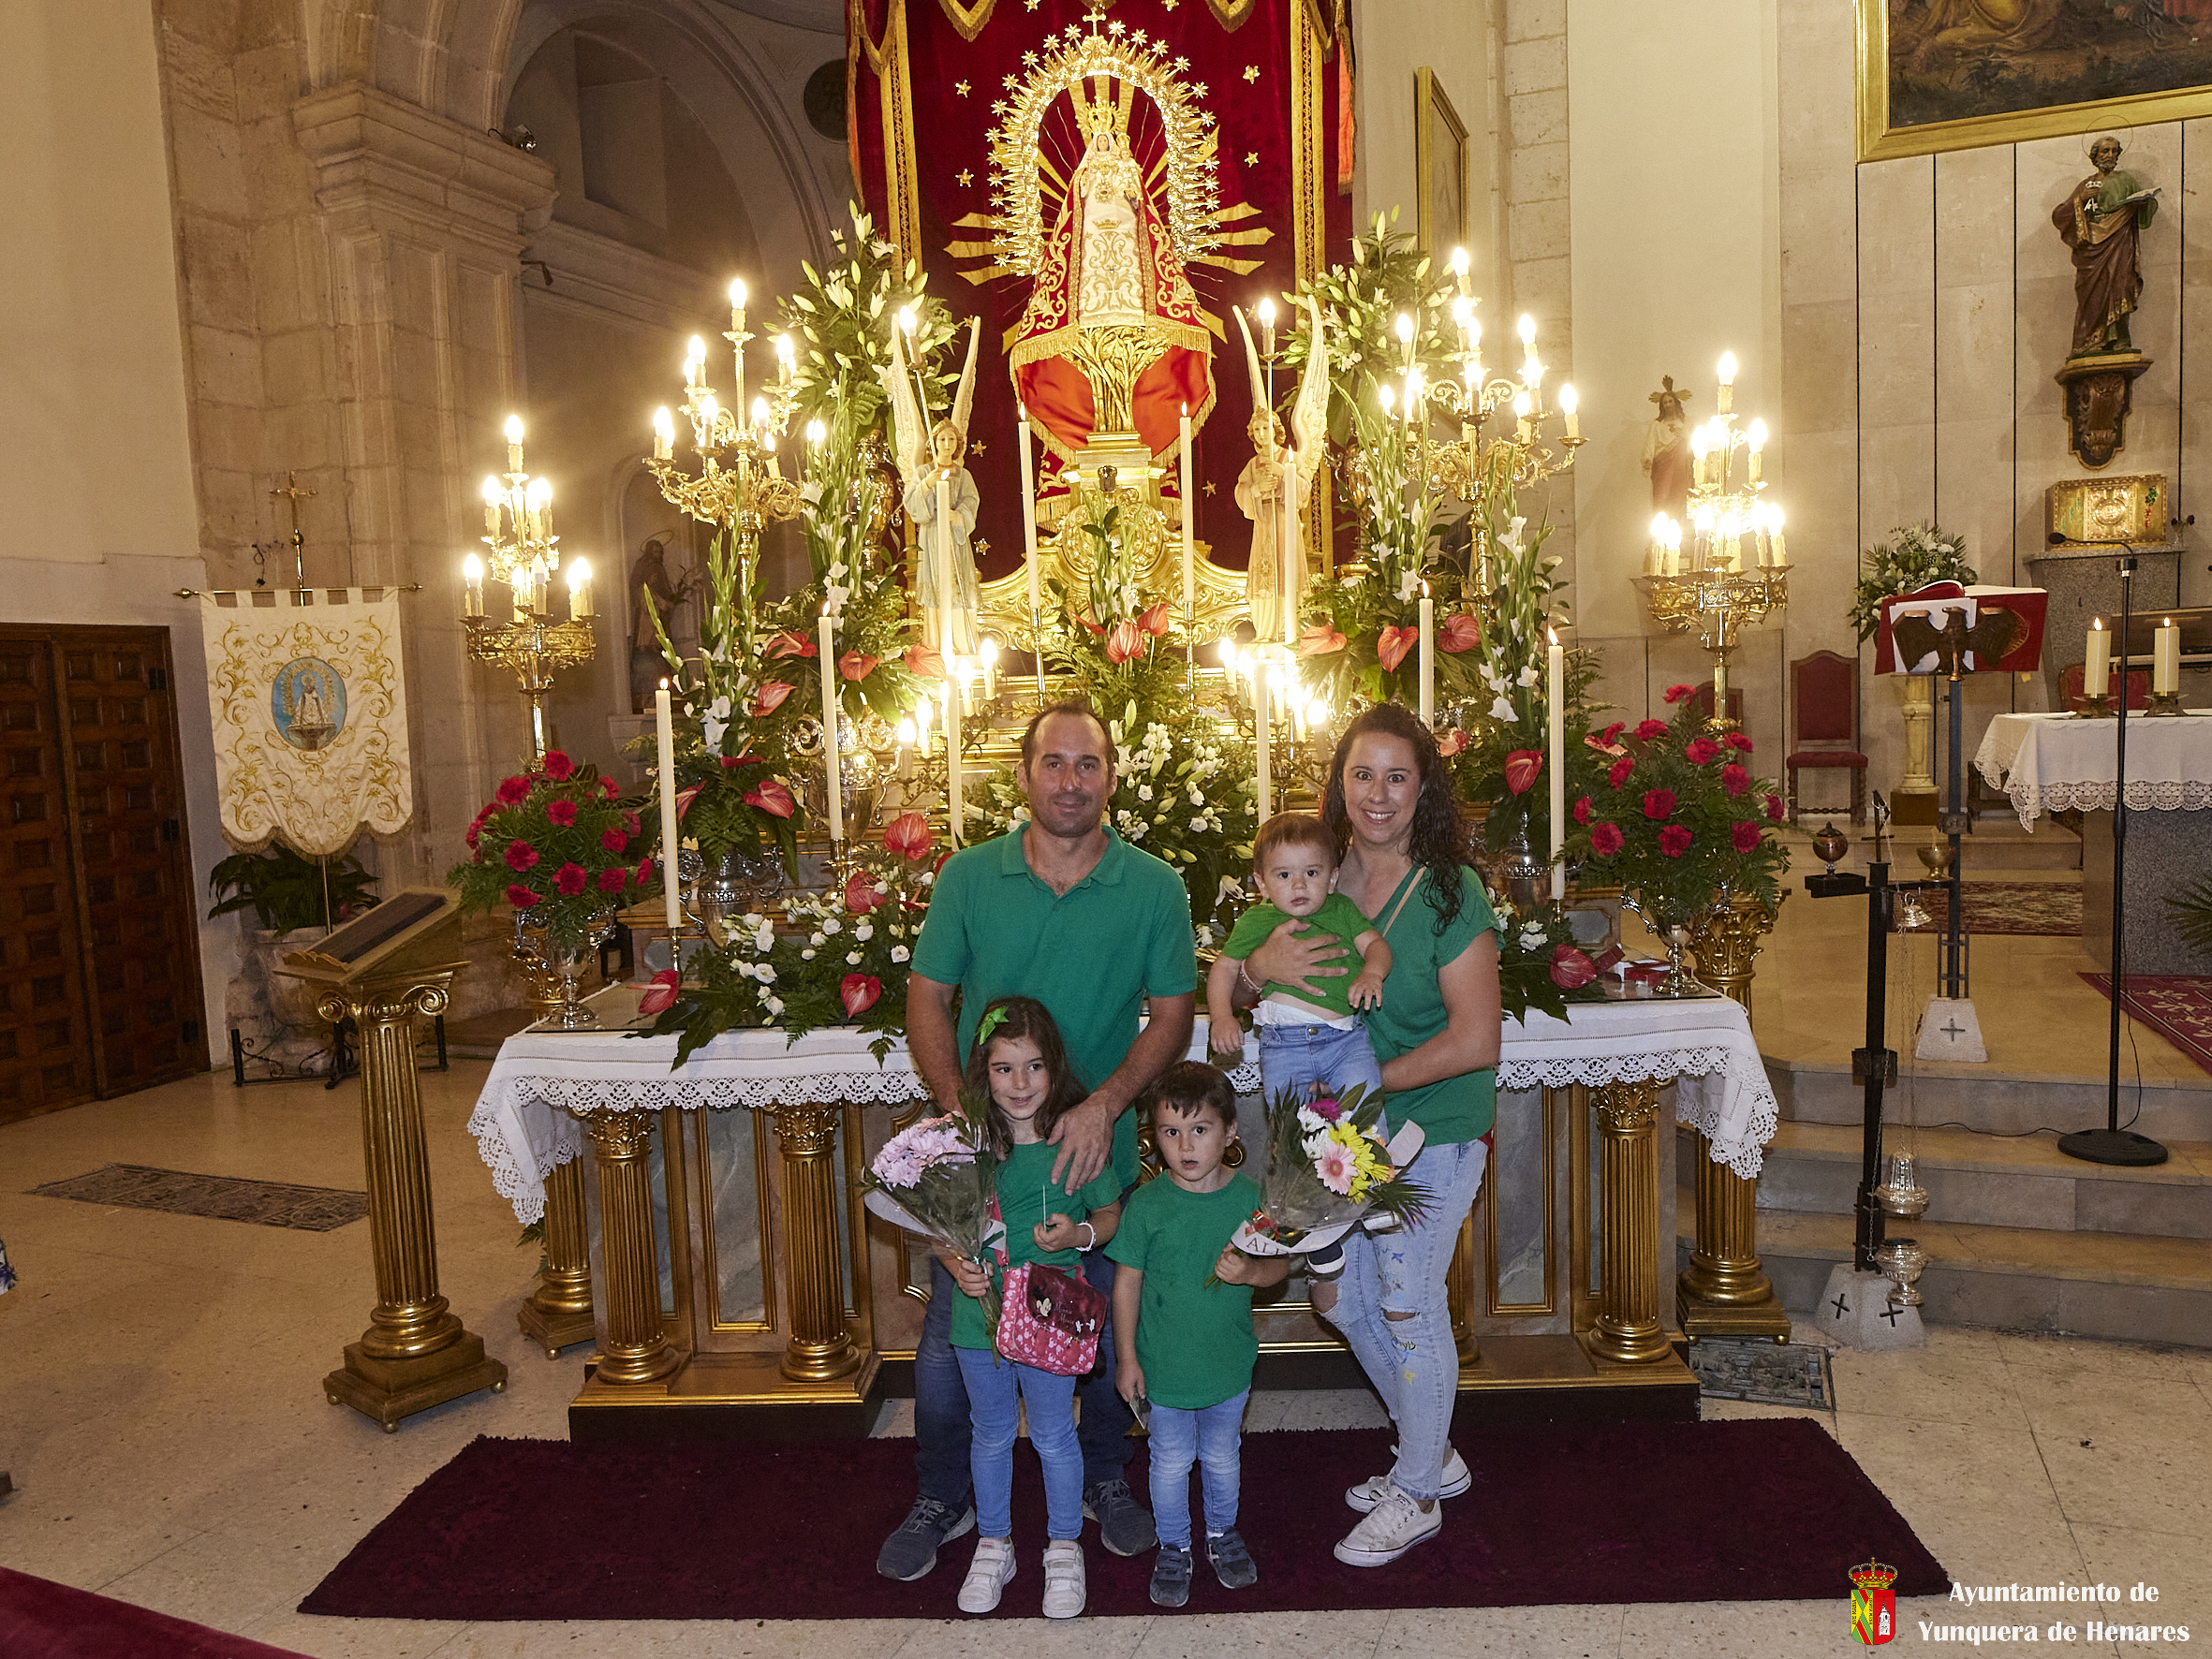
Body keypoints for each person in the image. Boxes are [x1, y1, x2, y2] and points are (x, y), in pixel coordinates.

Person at [878, 697, 1197, 1581]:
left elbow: (1174, 1014)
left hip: (1091, 1157)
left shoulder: (1153, 887)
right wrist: (961, 1119)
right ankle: (944, 1494)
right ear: (1022, 776)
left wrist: (1106, 1105)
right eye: (1053, 763)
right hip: (988, 1159)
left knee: (1095, 1323)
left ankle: (1103, 1479)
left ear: (1112, 778)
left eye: (1087, 764)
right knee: (952, 1340)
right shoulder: (968, 877)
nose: (1069, 781)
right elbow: (928, 996)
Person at [1224, 702, 1501, 1567]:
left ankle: (1417, 1493)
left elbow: (1476, 1041)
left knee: (1408, 1301)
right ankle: (1433, 1454)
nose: (1378, 794)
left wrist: (1364, 1086)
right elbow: (1246, 987)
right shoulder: (1317, 873)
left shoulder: (1450, 890)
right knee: (1339, 1300)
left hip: (1432, 1124)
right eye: (1362, 774)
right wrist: (1255, 970)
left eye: (1397, 776)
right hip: (1338, 1131)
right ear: (1339, 784)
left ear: (1424, 789)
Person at [942, 997, 1123, 1619]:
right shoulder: (964, 1143)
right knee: (991, 1432)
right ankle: (995, 1542)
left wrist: (1079, 1235)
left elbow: (1109, 1213)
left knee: (1052, 1432)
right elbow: (940, 1225)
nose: (1019, 1084)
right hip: (980, 1313)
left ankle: (1064, 1545)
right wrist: (956, 1265)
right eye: (1003, 1068)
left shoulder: (1076, 1138)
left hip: (1051, 1312)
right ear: (983, 1072)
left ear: (1054, 1067)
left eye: (1034, 1066)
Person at [1109, 1062, 1286, 1608]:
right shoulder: (1146, 1205)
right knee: (1168, 1460)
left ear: (1230, 1131)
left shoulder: (1252, 1200)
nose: (1185, 1146)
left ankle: (1221, 1533)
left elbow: (1279, 1268)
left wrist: (1249, 1272)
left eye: (1200, 1129)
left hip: (1227, 1363)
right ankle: (1174, 1545)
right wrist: (1126, 1358)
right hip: (1163, 1366)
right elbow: (1126, 1286)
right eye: (1170, 1131)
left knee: (1222, 1456)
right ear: (1154, 1136)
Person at [2053, 134, 2158, 360]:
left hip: (2121, 243)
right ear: (2095, 155)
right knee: (2094, 292)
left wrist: (2143, 203)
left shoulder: (2127, 181)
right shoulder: (2086, 185)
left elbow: (2143, 214)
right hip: (2092, 249)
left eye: (2114, 151)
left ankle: (2120, 339)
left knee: (2121, 285)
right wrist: (2080, 200)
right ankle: (2092, 341)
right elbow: (2060, 215)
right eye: (2105, 151)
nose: (2110, 155)